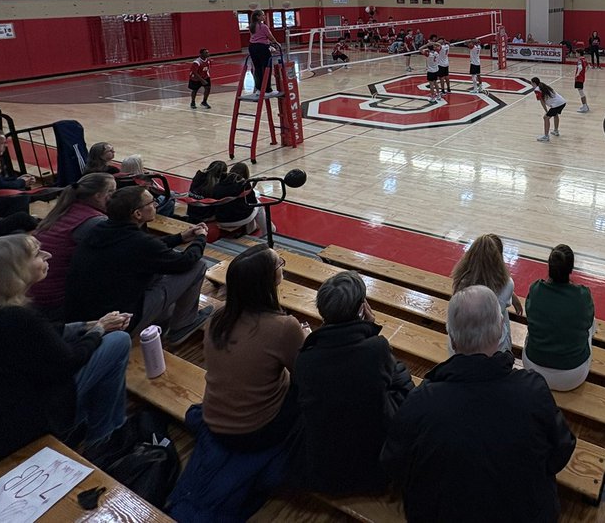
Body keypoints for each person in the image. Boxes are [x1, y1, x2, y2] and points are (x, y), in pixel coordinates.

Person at [0, 234, 131, 476]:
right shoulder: (16, 318)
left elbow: (39, 337)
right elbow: (68, 362)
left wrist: (85, 326)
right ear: (12, 272)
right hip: (0, 436)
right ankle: (104, 437)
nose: (47, 255)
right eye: (36, 254)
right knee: (117, 341)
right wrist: (98, 330)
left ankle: (99, 430)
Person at [381, 285, 576, 523]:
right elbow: (561, 450)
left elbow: (394, 464)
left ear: (451, 338)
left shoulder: (420, 402)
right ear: (501, 331)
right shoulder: (532, 390)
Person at [168, 246, 307, 521]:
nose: (282, 264)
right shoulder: (284, 326)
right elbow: (304, 373)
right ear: (268, 280)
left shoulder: (217, 317)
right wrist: (305, 337)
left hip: (214, 418)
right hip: (256, 432)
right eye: (279, 263)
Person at [294, 271, 414, 495]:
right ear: (362, 308)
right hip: (374, 469)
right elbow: (401, 381)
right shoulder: (376, 349)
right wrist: (370, 332)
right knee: (404, 387)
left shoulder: (305, 358)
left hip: (324, 471)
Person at [64, 186, 212, 342]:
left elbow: (149, 249)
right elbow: (185, 261)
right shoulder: (139, 242)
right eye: (151, 202)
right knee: (198, 265)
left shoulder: (99, 231)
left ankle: (161, 315)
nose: (155, 204)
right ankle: (182, 325)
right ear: (137, 214)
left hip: (83, 321)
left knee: (156, 269)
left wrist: (180, 238)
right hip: (120, 324)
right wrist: (201, 238)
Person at [30, 173, 116, 320]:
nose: (115, 197)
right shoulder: (95, 222)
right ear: (98, 196)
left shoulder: (64, 210)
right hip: (55, 304)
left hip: (34, 296)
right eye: (112, 192)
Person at [523, 244, 595, 392]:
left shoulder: (535, 290)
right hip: (573, 376)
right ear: (571, 269)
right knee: (592, 324)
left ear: (549, 267)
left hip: (533, 369)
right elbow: (588, 324)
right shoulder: (582, 295)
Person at [451, 234, 523, 355]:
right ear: (499, 259)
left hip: (463, 343)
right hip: (492, 347)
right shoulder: (507, 285)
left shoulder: (461, 280)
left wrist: (513, 296)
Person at [211, 162, 267, 237]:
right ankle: (267, 231)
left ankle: (252, 228)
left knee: (241, 206)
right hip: (238, 220)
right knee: (258, 205)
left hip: (221, 220)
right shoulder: (244, 184)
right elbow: (253, 202)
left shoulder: (220, 183)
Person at [247, 9, 280, 95]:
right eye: (263, 15)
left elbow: (254, 37)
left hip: (252, 47)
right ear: (258, 17)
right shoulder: (263, 26)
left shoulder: (251, 26)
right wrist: (276, 44)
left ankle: (259, 89)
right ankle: (268, 90)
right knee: (267, 68)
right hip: (262, 48)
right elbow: (271, 37)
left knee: (257, 68)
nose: (264, 16)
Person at [186, 160, 229, 225]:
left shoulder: (198, 177)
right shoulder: (217, 187)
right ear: (223, 175)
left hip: (191, 212)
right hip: (204, 217)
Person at [530, 77, 567, 142]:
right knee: (555, 115)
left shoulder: (537, 90)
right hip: (562, 102)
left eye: (531, 83)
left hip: (557, 104)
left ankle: (546, 137)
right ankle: (556, 131)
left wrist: (546, 111)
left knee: (546, 118)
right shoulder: (543, 85)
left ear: (534, 83)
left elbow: (542, 102)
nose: (531, 85)